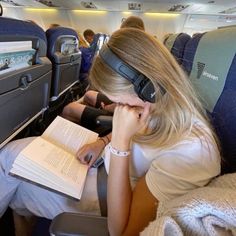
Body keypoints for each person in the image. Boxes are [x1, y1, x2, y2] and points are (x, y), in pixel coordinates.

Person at [0, 28, 221, 235]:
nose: (121, 109)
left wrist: (120, 143)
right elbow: (141, 137)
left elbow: (121, 230)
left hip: (107, 195)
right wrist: (103, 142)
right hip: (102, 166)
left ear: (148, 88)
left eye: (122, 103)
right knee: (14, 160)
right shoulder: (160, 105)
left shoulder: (192, 150)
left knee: (11, 169)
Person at [62, 15, 146, 126]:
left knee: (69, 109)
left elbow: (135, 111)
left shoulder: (129, 62)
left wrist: (107, 109)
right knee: (89, 95)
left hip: (128, 116)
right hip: (123, 105)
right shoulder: (139, 57)